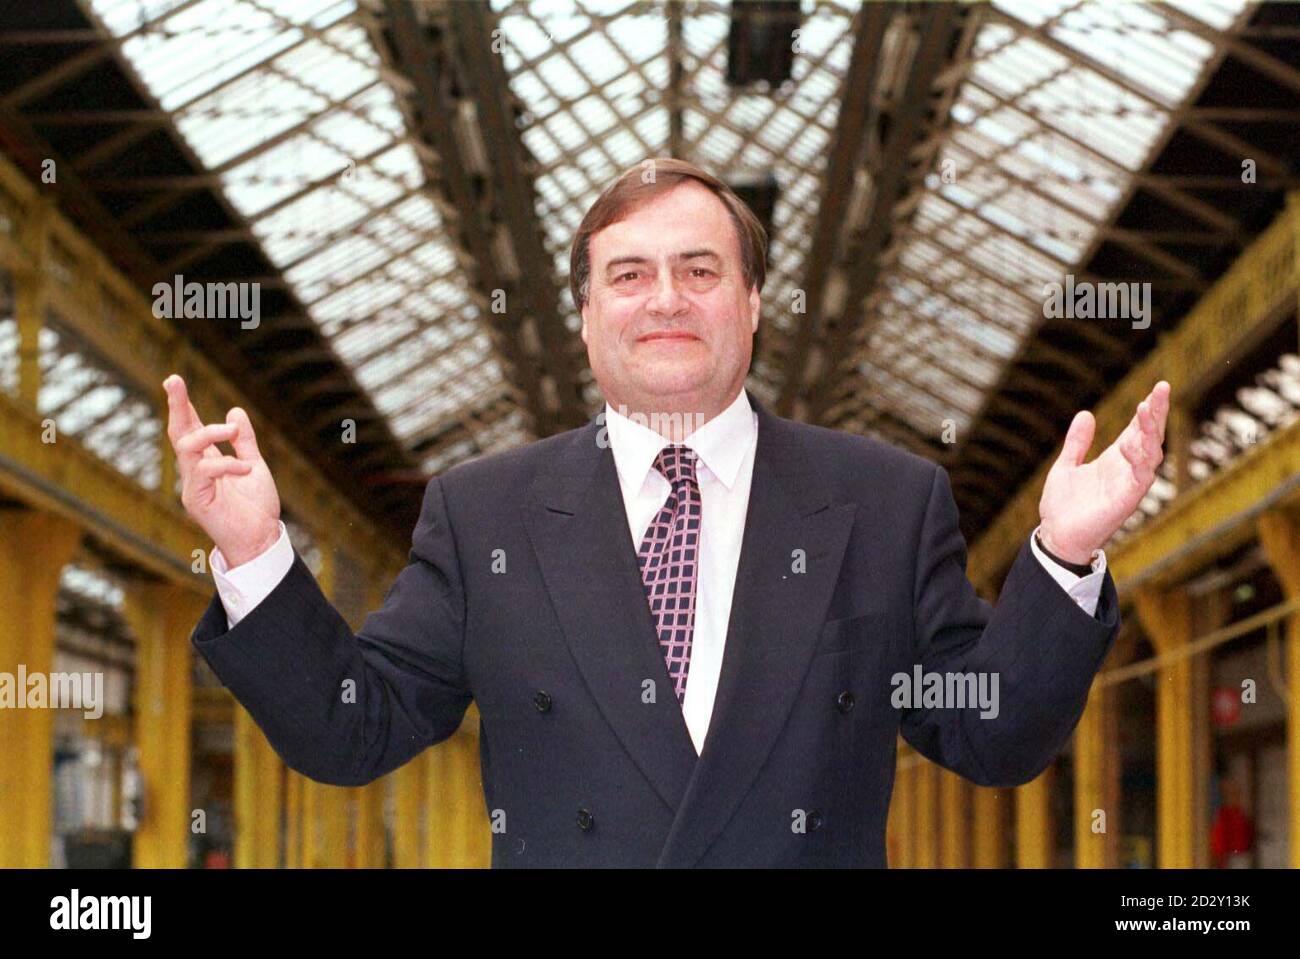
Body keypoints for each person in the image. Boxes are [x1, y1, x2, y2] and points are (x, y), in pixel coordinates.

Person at [166, 158, 1170, 867]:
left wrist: (1063, 555)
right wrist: (258, 551)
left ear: (753, 301)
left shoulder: (885, 499)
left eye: (700, 270)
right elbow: (356, 731)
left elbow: (989, 736)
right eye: (629, 274)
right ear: (588, 312)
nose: (665, 299)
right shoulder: (483, 514)